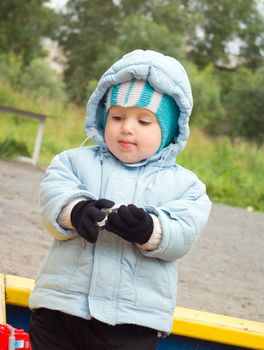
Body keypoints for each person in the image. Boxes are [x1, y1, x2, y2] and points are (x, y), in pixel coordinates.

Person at [29, 49, 212, 350]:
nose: (127, 127)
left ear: (169, 131)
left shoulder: (185, 186)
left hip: (131, 320)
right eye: (117, 116)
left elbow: (184, 233)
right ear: (102, 116)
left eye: (144, 121)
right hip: (60, 308)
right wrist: (76, 211)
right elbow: (54, 196)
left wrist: (150, 230)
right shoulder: (72, 162)